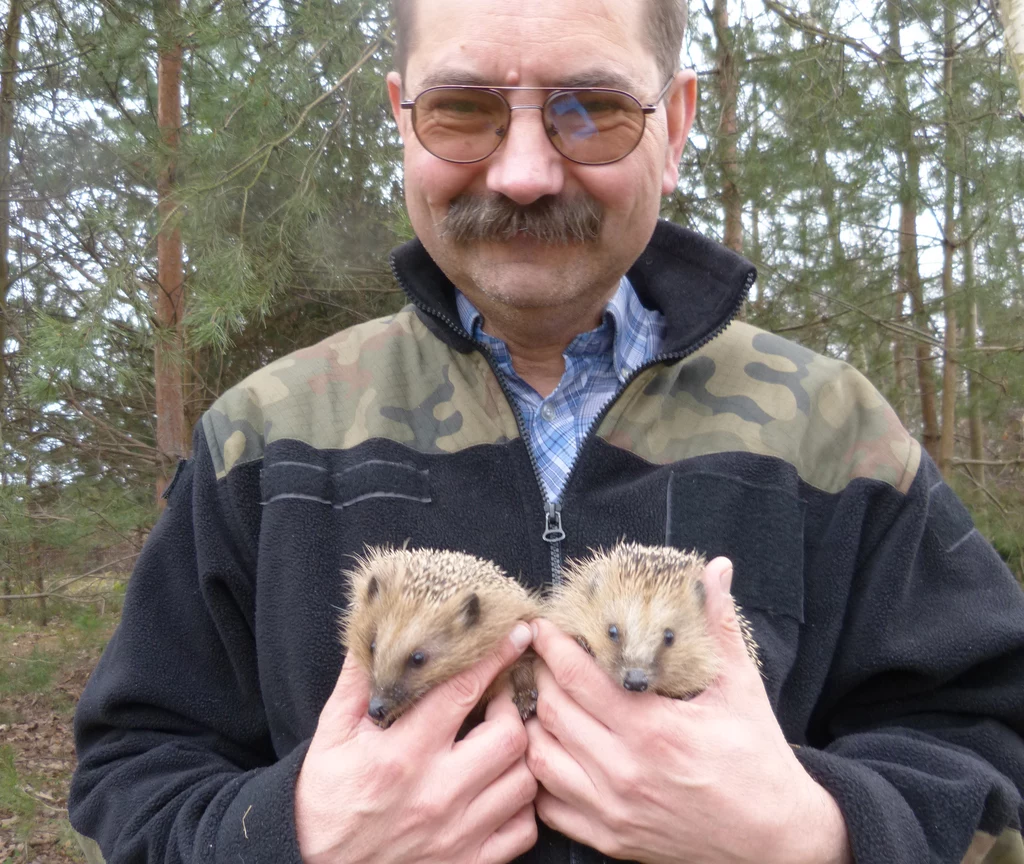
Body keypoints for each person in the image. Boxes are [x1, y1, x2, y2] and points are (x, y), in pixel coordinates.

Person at [69, 0, 1024, 862]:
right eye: (462, 110)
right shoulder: (261, 440)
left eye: (591, 110)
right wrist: (294, 838)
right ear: (403, 117)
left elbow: (989, 748)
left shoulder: (835, 432)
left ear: (677, 123)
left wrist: (818, 833)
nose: (524, 173)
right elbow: (135, 776)